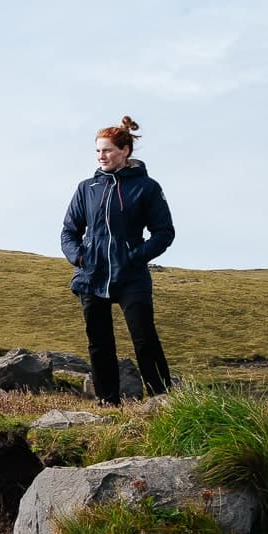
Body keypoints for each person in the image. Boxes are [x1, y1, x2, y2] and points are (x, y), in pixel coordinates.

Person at [60, 115, 175, 404]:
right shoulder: (87, 188)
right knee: (99, 343)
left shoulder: (147, 188)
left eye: (108, 150)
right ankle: (107, 401)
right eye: (98, 150)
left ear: (125, 151)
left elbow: (164, 232)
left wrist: (135, 257)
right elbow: (69, 231)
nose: (101, 156)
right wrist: (80, 258)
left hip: (131, 275)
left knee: (145, 339)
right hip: (91, 275)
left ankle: (161, 398)